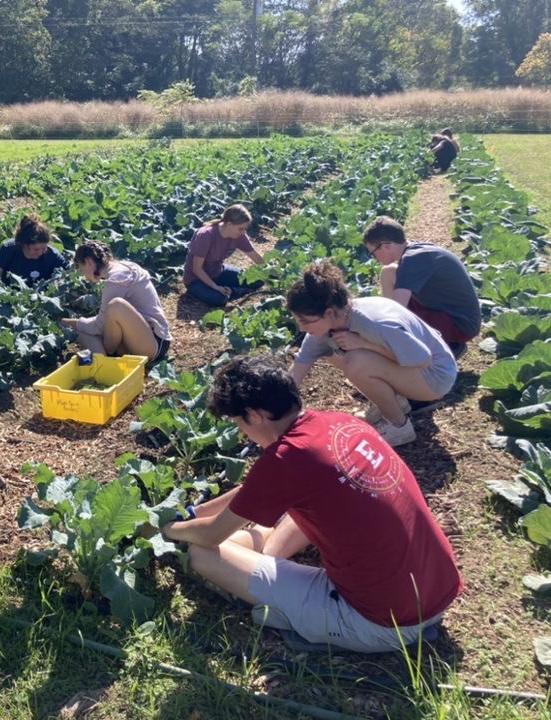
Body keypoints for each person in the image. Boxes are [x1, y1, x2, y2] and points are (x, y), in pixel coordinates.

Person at [163, 354, 463, 654]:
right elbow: (259, 486)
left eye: (239, 423)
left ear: (255, 415)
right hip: (436, 591)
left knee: (202, 554)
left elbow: (210, 535)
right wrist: (197, 513)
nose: (243, 434)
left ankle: (301, 612)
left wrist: (168, 527)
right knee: (308, 503)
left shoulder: (286, 459)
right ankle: (266, 560)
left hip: (382, 622)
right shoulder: (337, 423)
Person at [287, 260, 457, 447]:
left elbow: (423, 359)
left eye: (305, 321)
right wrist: (277, 401)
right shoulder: (334, 320)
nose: (302, 328)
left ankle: (399, 427)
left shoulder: (374, 324)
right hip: (413, 369)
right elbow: (303, 361)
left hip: (436, 376)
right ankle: (395, 403)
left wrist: (364, 344)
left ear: (328, 313)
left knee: (358, 363)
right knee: (329, 351)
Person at [363, 216, 480, 360]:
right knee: (388, 272)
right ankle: (441, 342)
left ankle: (447, 347)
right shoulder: (415, 250)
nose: (374, 257)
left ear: (385, 246)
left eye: (373, 252)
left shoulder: (412, 260)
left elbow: (396, 311)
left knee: (400, 323)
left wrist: (373, 335)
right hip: (454, 313)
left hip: (461, 324)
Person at [60, 240, 171, 362]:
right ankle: (103, 356)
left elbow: (99, 326)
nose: (84, 276)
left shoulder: (116, 279)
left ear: (89, 262)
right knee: (89, 328)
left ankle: (108, 355)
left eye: (82, 269)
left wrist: (69, 323)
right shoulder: (126, 266)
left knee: (115, 307)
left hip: (152, 344)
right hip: (151, 338)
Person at [182, 204, 264, 306]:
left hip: (218, 272)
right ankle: (233, 291)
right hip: (196, 280)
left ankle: (231, 290)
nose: (243, 232)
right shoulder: (205, 235)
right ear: (229, 224)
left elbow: (255, 257)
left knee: (258, 279)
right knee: (220, 299)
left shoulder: (239, 236)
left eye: (245, 229)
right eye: (241, 228)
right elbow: (197, 269)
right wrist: (216, 287)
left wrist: (273, 272)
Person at [0, 215, 68, 292]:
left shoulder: (53, 256)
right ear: (23, 244)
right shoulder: (9, 249)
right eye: (36, 249)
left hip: (41, 301)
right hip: (9, 297)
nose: (40, 252)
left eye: (44, 248)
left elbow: (67, 277)